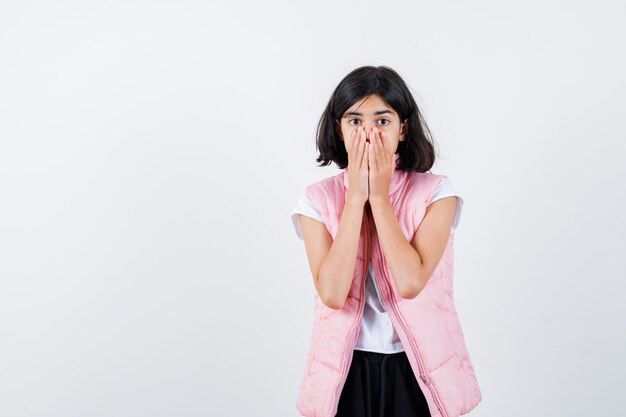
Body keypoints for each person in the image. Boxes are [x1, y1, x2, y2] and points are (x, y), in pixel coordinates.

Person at [291, 66, 482, 417]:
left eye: (382, 121)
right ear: (339, 128)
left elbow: (410, 282)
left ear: (403, 128)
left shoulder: (438, 193)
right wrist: (354, 199)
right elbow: (332, 294)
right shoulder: (315, 200)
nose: (368, 135)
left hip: (417, 367)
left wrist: (379, 198)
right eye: (355, 121)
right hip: (346, 368)